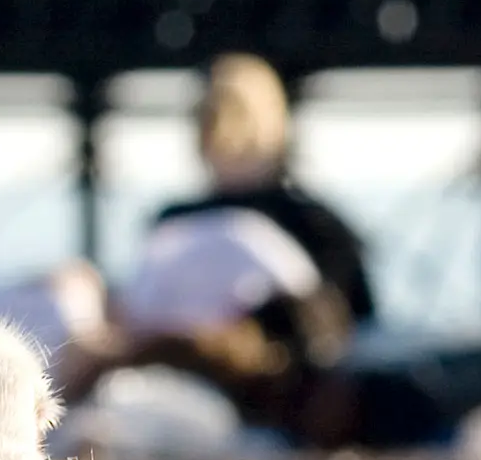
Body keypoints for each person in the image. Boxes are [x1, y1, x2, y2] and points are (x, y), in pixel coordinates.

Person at [153, 55, 374, 321]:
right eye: (209, 115)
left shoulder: (317, 229)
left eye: (236, 114)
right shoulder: (174, 225)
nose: (224, 131)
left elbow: (347, 327)